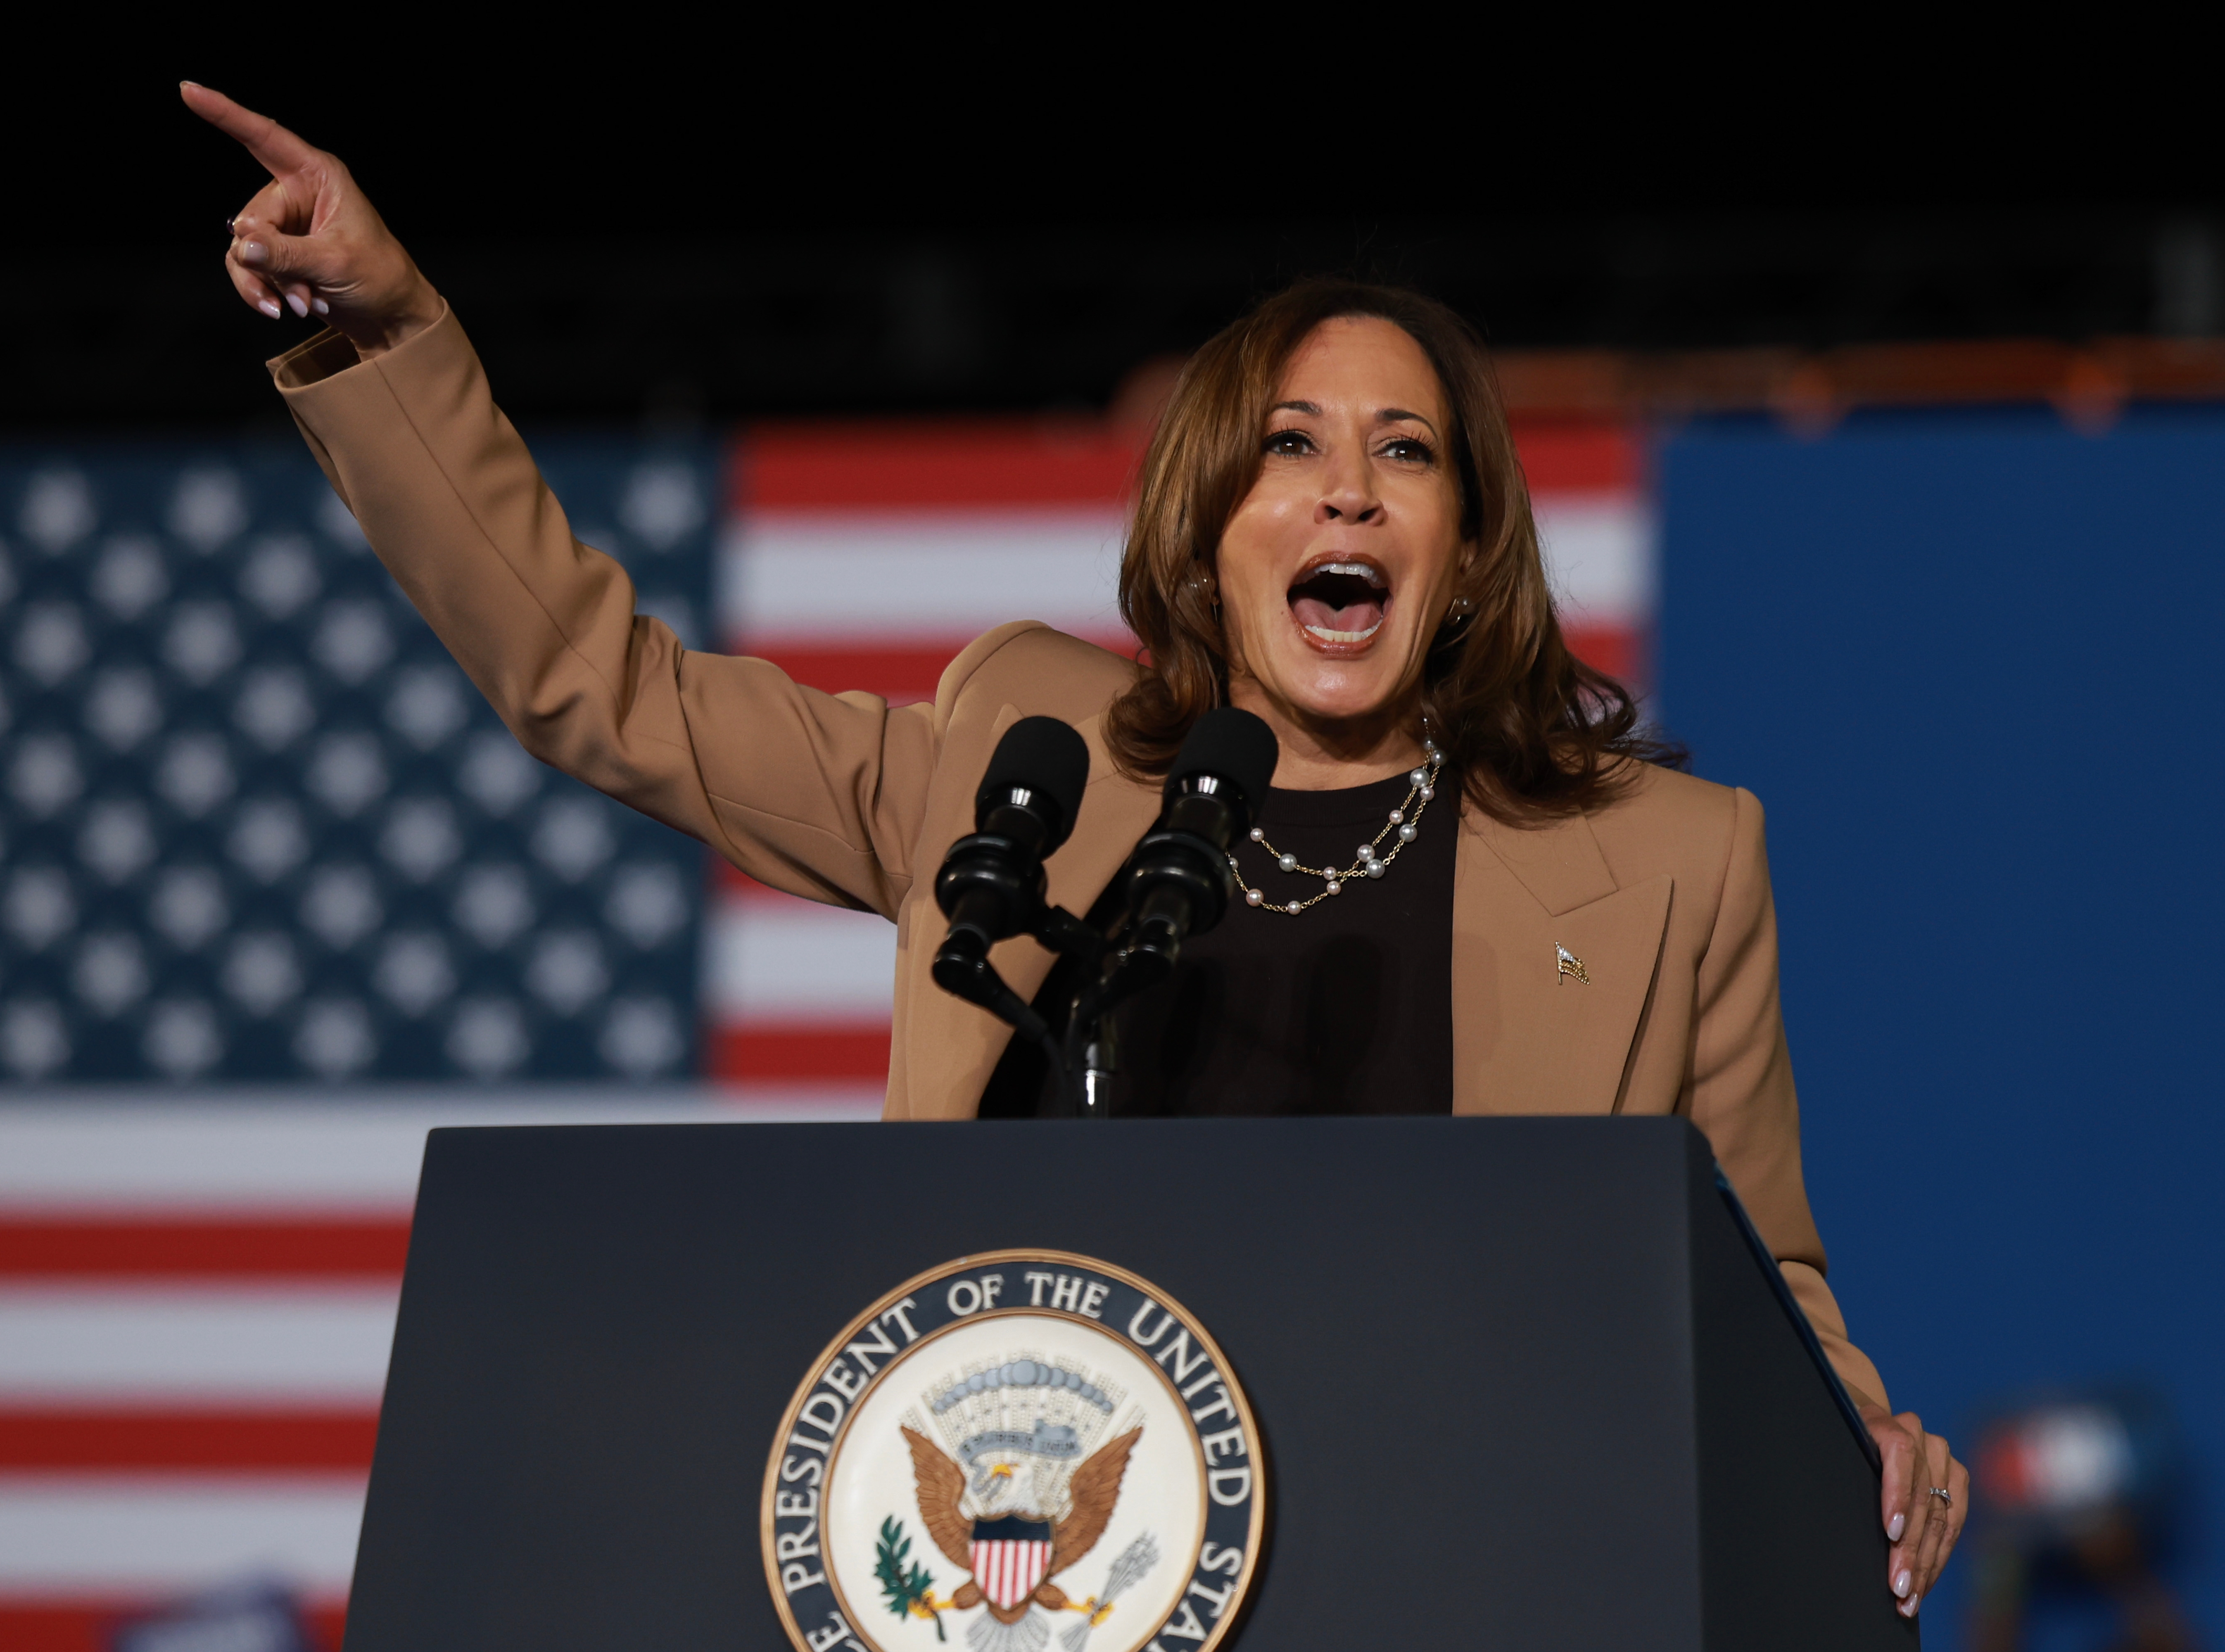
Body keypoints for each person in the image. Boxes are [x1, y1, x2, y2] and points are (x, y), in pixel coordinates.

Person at [180, 80, 1969, 1613]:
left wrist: (1861, 1442)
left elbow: (1763, 1275)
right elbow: (600, 682)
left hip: (1452, 1577)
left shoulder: (1664, 862)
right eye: (1292, 446)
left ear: (1468, 545)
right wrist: (395, 333)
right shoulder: (1016, 768)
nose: (1348, 490)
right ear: (1208, 527)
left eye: (1407, 454)